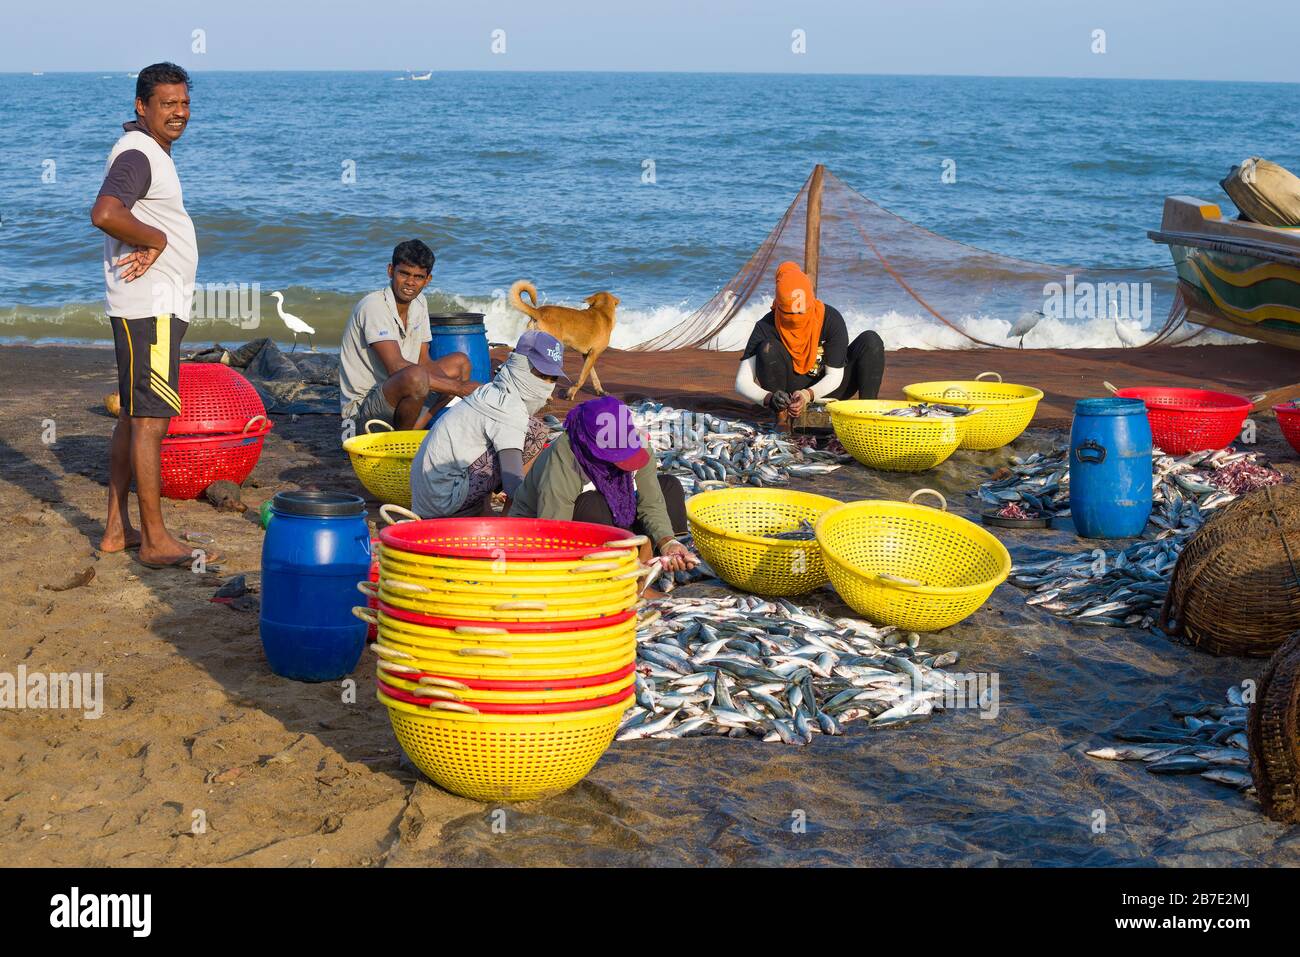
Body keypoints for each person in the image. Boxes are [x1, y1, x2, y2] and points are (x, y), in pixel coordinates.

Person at [91, 62, 223, 568]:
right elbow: (104, 211)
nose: (179, 113)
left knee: (132, 416)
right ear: (141, 107)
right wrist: (159, 238)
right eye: (168, 104)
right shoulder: (140, 153)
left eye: (184, 103)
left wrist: (155, 235)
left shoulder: (147, 152)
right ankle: (154, 539)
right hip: (152, 311)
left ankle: (114, 530)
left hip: (144, 308)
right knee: (151, 421)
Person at [510, 396, 697, 573]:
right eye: (616, 457)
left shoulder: (639, 445)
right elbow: (555, 527)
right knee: (593, 503)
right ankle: (620, 568)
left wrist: (667, 541)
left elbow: (652, 503)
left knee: (669, 486)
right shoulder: (566, 455)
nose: (623, 462)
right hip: (544, 529)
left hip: (613, 516)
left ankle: (665, 559)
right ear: (591, 446)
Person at [410, 330, 564, 518]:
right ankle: (511, 522)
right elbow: (513, 483)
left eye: (552, 379)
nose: (546, 385)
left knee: (503, 437)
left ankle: (483, 510)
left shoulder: (491, 391)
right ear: (520, 366)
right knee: (536, 433)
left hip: (427, 496)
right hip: (442, 500)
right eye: (541, 375)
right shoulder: (509, 409)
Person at [338, 240, 478, 435]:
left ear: (428, 279)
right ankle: (400, 442)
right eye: (404, 274)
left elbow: (424, 361)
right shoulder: (374, 306)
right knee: (416, 377)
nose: (410, 283)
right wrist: (459, 388)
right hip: (362, 411)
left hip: (400, 393)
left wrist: (462, 386)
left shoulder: (419, 302)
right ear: (390, 271)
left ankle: (412, 431)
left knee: (460, 363)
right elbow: (396, 367)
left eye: (418, 277)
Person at [734, 261, 885, 424]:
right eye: (790, 314)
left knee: (871, 341)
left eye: (802, 312)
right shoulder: (765, 326)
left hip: (831, 389)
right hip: (788, 397)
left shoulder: (830, 319)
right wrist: (769, 398)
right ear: (778, 305)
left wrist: (808, 395)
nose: (797, 318)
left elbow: (834, 376)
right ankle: (782, 418)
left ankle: (868, 417)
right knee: (767, 347)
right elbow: (741, 382)